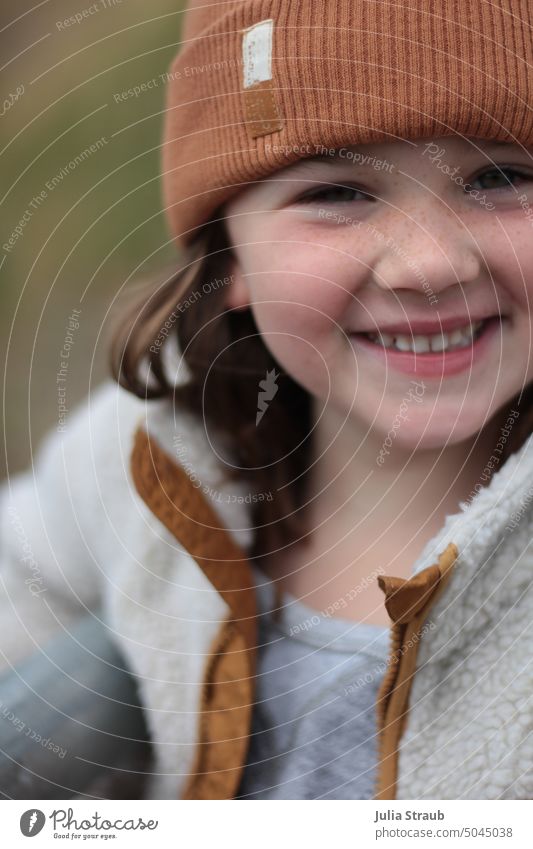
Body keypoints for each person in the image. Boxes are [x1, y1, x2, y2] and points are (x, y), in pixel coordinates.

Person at [1, 0, 533, 801]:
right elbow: (21, 581)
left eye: (500, 177)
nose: (427, 265)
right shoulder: (152, 452)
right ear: (232, 256)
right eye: (338, 192)